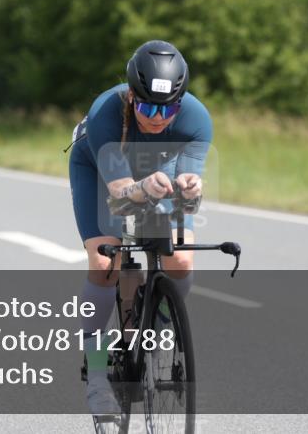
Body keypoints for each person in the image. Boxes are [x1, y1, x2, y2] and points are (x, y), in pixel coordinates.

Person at [68, 40, 211, 416]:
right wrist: (145, 188)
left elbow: (188, 202)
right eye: (147, 106)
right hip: (101, 174)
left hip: (158, 172)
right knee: (106, 263)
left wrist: (190, 190)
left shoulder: (197, 119)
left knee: (179, 257)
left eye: (168, 109)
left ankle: (157, 320)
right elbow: (120, 196)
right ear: (131, 96)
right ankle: (97, 373)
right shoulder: (105, 114)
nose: (158, 118)